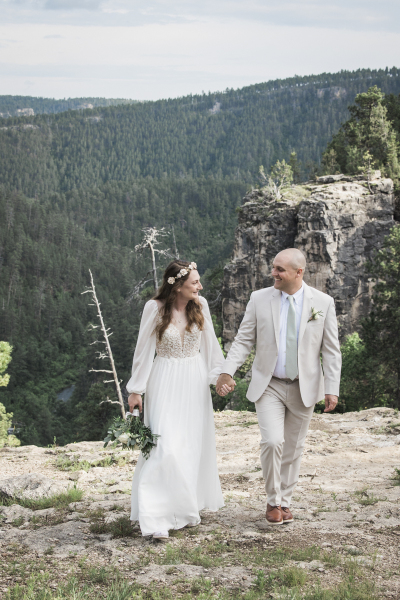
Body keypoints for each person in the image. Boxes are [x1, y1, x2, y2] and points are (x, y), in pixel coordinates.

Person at [216, 248, 341, 525]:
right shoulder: (259, 299)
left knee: (293, 448)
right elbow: (244, 339)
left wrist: (332, 388)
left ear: (299, 272)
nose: (274, 273)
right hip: (268, 383)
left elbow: (331, 350)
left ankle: (285, 501)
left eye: (280, 269)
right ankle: (272, 501)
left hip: (303, 386)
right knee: (272, 441)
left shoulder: (323, 302)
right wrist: (227, 371)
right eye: (274, 267)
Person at [126, 260, 233, 540]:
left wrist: (220, 376)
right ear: (176, 284)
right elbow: (143, 350)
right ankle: (155, 516)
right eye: (195, 282)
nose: (200, 286)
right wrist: (136, 389)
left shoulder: (201, 305)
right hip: (164, 379)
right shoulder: (155, 308)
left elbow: (211, 347)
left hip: (194, 381)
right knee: (164, 446)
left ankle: (183, 508)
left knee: (189, 445)